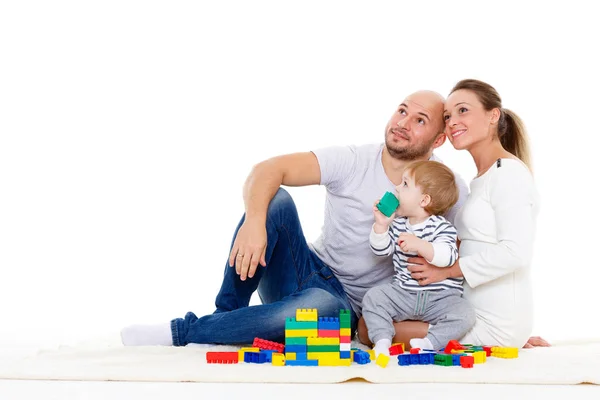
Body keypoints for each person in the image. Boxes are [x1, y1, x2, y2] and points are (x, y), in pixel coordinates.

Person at [120, 90, 469, 346]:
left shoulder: (444, 188)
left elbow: (475, 254)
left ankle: (189, 331)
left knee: (321, 306)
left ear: (439, 138)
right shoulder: (352, 160)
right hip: (305, 269)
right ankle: (226, 316)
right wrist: (256, 223)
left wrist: (494, 321)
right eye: (402, 111)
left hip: (344, 306)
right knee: (276, 199)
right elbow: (267, 169)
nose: (403, 124)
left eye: (419, 120)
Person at [358, 79, 550, 349]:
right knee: (372, 319)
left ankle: (497, 334)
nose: (452, 122)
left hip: (491, 321)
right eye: (447, 116)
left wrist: (447, 271)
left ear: (493, 115)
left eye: (463, 111)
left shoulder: (509, 175)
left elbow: (515, 253)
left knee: (367, 330)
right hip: (462, 309)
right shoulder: (484, 177)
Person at [362, 160, 475, 357]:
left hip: (440, 298)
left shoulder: (442, 227)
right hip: (404, 294)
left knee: (465, 314)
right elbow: (381, 251)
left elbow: (448, 256)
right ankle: (382, 341)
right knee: (373, 297)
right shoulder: (397, 225)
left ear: (423, 200)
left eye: (405, 184)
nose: (397, 187)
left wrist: (421, 245)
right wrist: (381, 226)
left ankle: (430, 343)